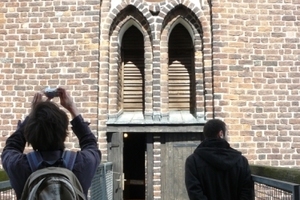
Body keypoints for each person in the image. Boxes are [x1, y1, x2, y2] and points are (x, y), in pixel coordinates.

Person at [1, 87, 101, 199]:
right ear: (64, 133)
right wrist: (72, 107)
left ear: (29, 134)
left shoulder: (19, 165)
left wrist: (33, 114)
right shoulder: (83, 162)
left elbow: (11, 146)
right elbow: (90, 143)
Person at [185, 119, 254, 200]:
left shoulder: (193, 161)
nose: (227, 136)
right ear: (221, 134)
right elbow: (247, 192)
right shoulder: (241, 161)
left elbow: (195, 193)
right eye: (227, 133)